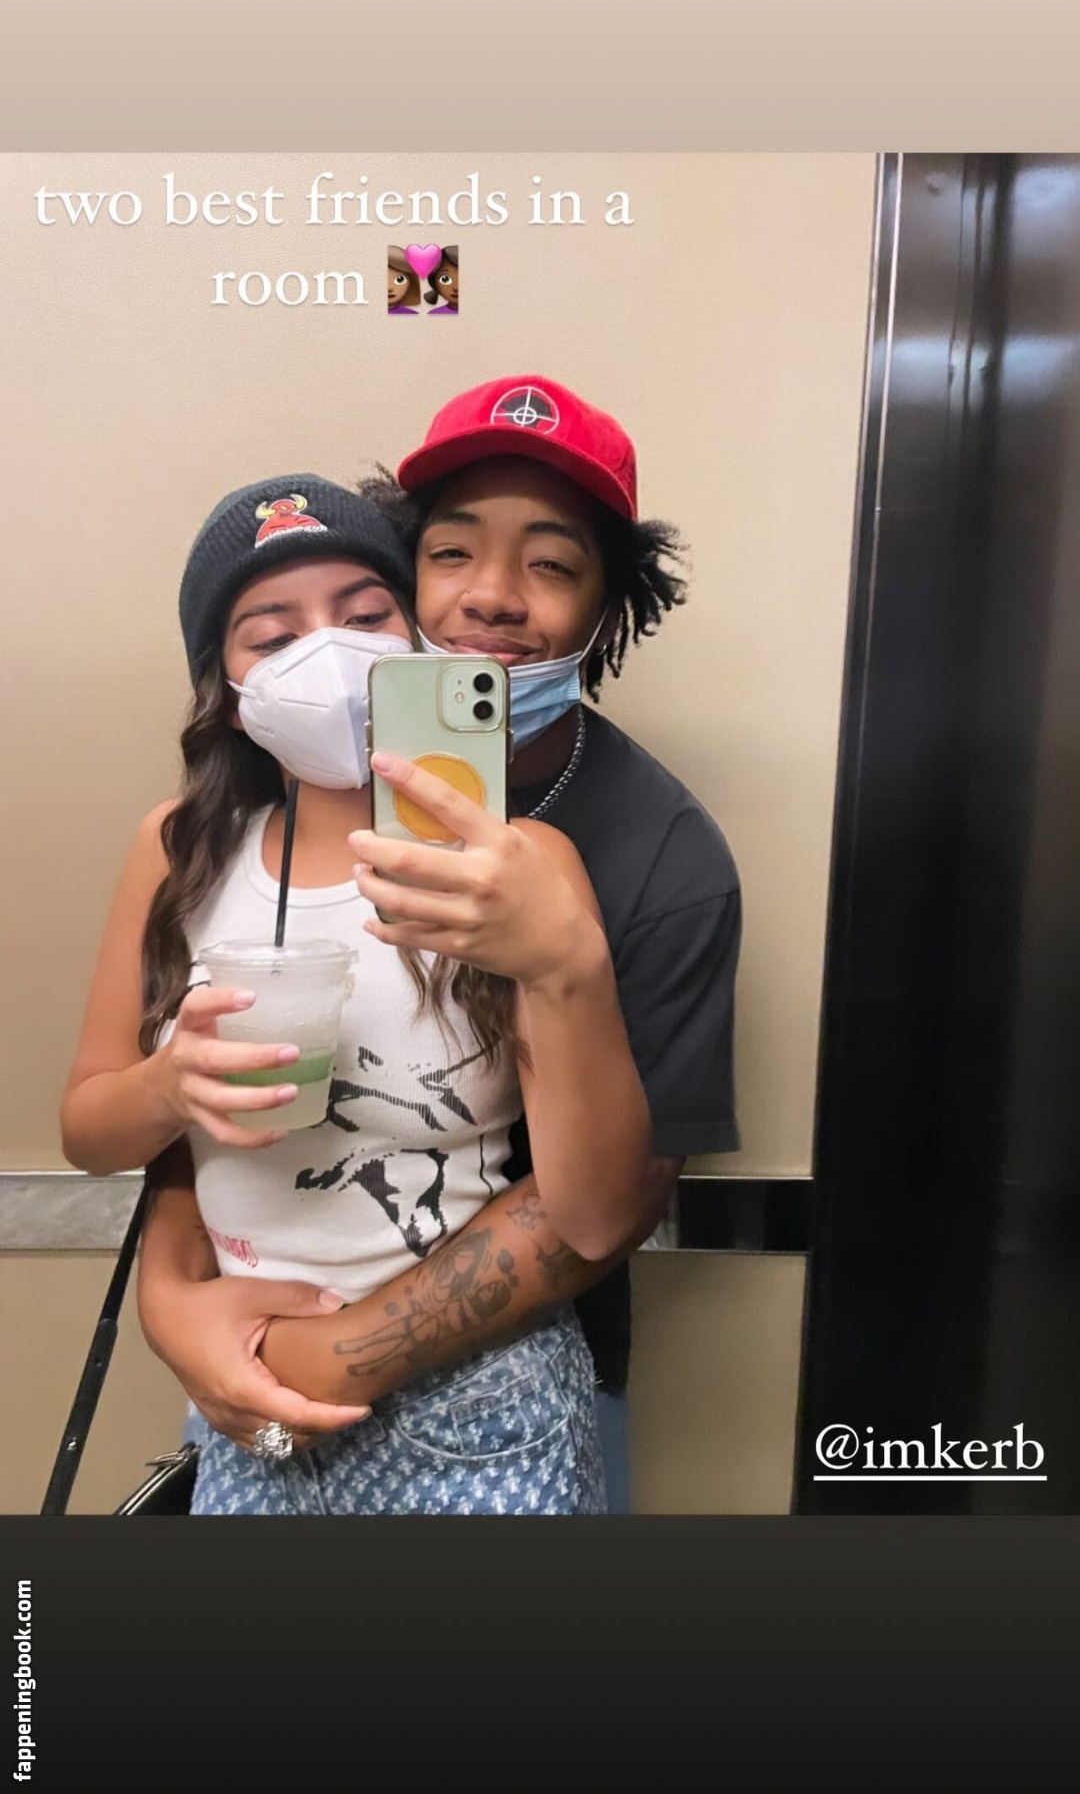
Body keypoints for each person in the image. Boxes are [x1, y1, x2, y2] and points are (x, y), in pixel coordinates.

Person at [136, 378, 742, 1514]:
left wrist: (314, 1363)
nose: (492, 597)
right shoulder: (285, 792)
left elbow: (602, 1211)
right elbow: (211, 1084)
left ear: (606, 611)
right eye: (450, 553)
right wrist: (172, 1304)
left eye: (552, 565)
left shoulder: (659, 853)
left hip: (498, 1407)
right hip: (251, 1365)